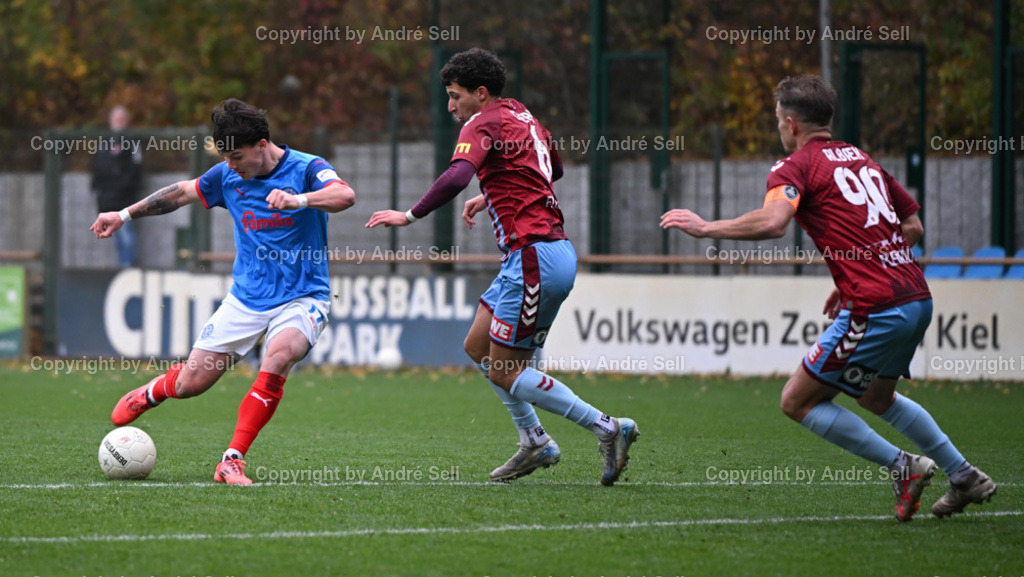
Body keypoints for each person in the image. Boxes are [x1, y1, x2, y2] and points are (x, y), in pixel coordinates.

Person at [661, 74, 996, 521]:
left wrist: (705, 228)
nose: (779, 128)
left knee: (796, 401)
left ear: (793, 123)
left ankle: (904, 466)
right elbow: (912, 225)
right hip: (915, 297)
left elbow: (774, 222)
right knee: (877, 398)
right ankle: (964, 476)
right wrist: (858, 268)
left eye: (779, 120)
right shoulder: (863, 159)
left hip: (876, 306)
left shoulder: (794, 167)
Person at [366, 48, 639, 486]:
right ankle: (534, 441)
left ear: (480, 93)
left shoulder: (484, 122)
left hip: (535, 255)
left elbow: (457, 175)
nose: (451, 107)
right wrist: (493, 190)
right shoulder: (523, 116)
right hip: (534, 256)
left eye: (455, 97)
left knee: (506, 370)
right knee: (477, 345)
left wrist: (409, 216)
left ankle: (608, 427)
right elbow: (556, 168)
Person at [91, 98, 355, 485]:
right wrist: (123, 214)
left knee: (280, 355)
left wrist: (298, 200)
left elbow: (344, 196)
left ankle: (232, 460)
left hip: (303, 295)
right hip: (246, 298)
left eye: (237, 157)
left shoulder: (307, 168)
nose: (231, 166)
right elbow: (180, 193)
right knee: (191, 384)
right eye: (225, 158)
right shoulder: (227, 176)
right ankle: (153, 392)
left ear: (262, 145)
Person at [91, 105, 142, 267]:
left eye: (122, 119)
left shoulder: (132, 143)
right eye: (116, 119)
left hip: (125, 200)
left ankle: (129, 270)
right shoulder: (104, 144)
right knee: (118, 239)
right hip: (107, 200)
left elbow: (135, 170)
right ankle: (123, 270)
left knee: (128, 238)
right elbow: (97, 169)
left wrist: (123, 187)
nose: (118, 123)